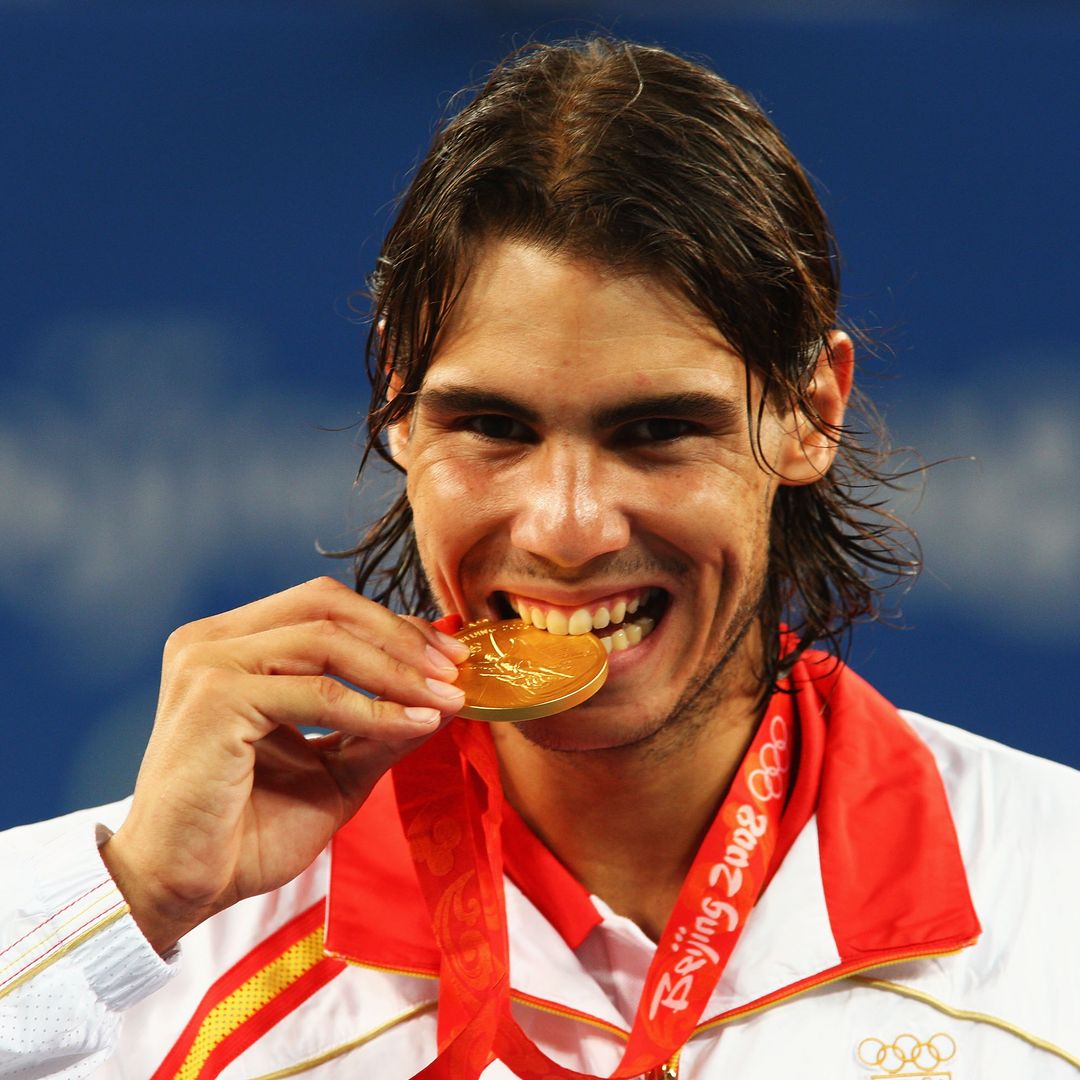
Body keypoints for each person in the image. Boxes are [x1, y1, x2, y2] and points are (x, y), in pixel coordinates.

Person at [1, 36, 1077, 1080]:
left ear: (810, 410)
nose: (566, 528)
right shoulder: (155, 920)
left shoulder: (1053, 900)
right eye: (495, 428)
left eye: (657, 431)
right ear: (397, 408)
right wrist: (133, 900)